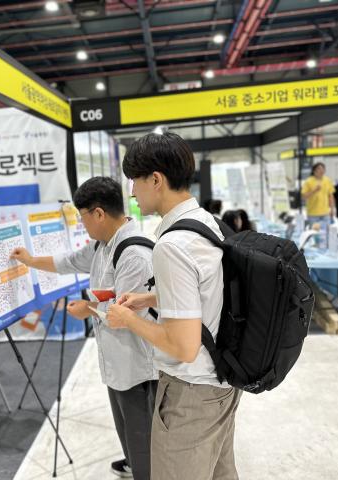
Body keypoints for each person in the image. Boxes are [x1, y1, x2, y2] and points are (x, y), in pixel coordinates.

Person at [106, 132, 241, 480]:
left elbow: (183, 346)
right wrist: (151, 298)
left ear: (155, 179)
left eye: (135, 181)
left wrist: (128, 319)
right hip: (222, 383)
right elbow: (208, 290)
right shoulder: (207, 223)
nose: (132, 192)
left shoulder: (172, 245)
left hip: (191, 395)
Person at [11, 177, 157, 480]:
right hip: (117, 360)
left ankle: (144, 469)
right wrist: (30, 260)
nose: (82, 224)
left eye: (83, 217)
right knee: (128, 431)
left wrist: (88, 309)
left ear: (99, 213)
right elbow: (69, 261)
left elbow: (126, 315)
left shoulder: (134, 254)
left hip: (137, 366)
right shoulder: (103, 245)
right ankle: (135, 462)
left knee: (143, 439)